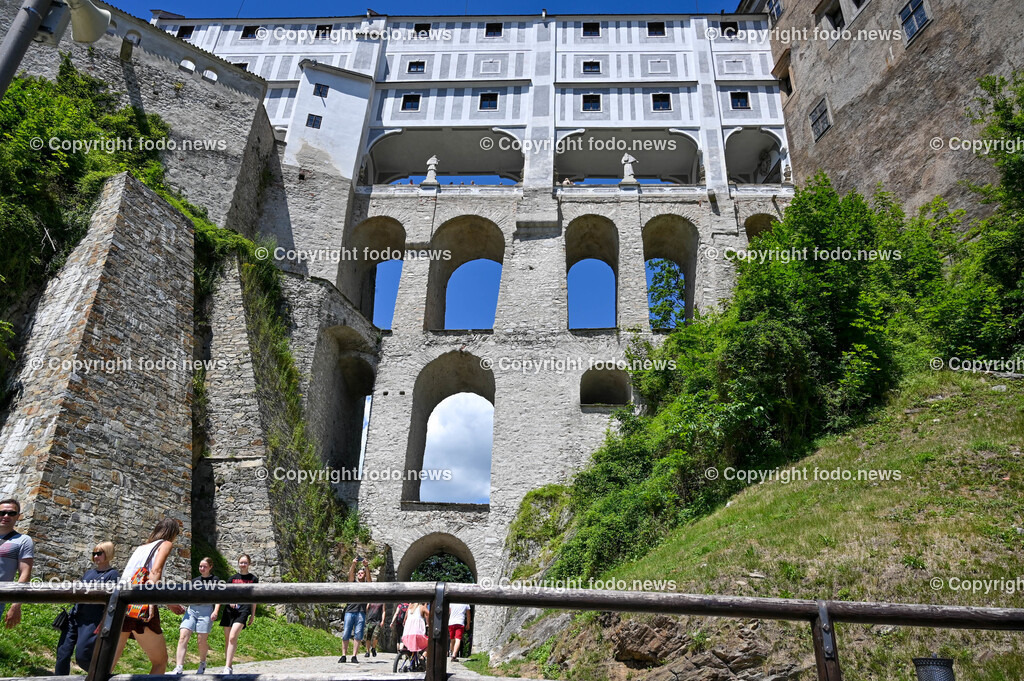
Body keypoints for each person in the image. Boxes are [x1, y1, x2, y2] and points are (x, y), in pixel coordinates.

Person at [112, 518, 184, 675]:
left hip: (121, 604)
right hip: (139, 605)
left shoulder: (141, 548)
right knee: (160, 661)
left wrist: (168, 603)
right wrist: (149, 600)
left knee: (108, 663)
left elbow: (135, 577)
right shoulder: (166, 544)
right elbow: (155, 572)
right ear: (172, 533)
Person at [55, 541, 119, 674]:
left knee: (83, 657)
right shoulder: (89, 573)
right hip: (75, 617)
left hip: (92, 621)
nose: (96, 556)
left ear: (107, 554)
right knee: (63, 654)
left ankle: (99, 676)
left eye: (99, 553)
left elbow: (112, 601)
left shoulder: (113, 575)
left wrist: (104, 622)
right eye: (94, 553)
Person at [172, 557, 222, 675]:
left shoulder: (215, 580)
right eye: (200, 566)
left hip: (206, 610)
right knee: (183, 635)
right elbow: (188, 595)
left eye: (204, 566)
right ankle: (179, 667)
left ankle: (202, 663)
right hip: (192, 610)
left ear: (210, 567)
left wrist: (215, 611)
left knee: (201, 640)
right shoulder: (195, 581)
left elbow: (219, 597)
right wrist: (182, 605)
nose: (202, 568)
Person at [220, 554, 257, 675]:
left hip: (244, 609)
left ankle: (226, 667)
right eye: (241, 562)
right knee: (227, 639)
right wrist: (230, 601)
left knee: (232, 637)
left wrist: (253, 614)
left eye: (245, 562)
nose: (243, 565)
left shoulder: (253, 579)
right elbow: (226, 594)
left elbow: (254, 598)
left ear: (249, 564)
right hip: (229, 610)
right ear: (238, 563)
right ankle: (229, 666)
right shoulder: (232, 578)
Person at [0, 498, 33, 629]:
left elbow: (25, 573)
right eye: (2, 512)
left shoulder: (23, 540)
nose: (6, 516)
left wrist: (16, 604)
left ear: (18, 516)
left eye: (11, 513)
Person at [338, 558, 371, 663]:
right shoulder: (352, 583)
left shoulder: (366, 586)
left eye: (362, 573)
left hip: (361, 612)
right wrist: (353, 564)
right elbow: (350, 575)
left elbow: (370, 581)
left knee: (358, 634)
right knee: (346, 633)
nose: (360, 574)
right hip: (350, 611)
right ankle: (343, 655)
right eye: (359, 573)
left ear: (364, 575)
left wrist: (366, 567)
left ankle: (354, 656)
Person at [399, 603, 429, 672]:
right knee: (430, 644)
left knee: (413, 647)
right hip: (418, 635)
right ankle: (422, 657)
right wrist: (428, 623)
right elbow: (430, 615)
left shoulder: (409, 608)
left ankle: (413, 662)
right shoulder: (422, 607)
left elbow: (404, 621)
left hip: (406, 635)